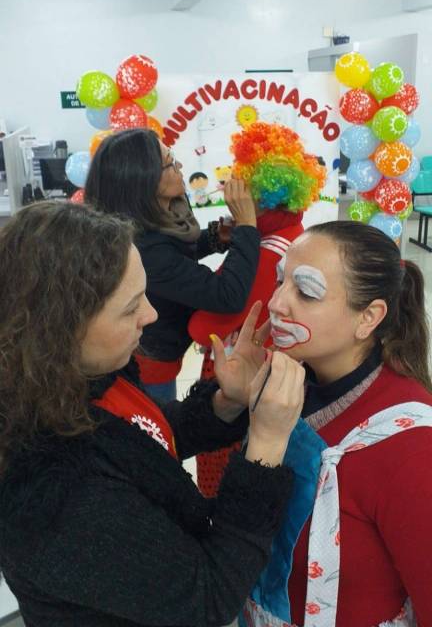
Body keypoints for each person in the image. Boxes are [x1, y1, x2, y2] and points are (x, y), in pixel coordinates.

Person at [0, 200, 306, 627]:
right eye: (130, 308)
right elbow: (208, 597)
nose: (152, 314)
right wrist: (266, 446)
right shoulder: (51, 493)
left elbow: (140, 442)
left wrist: (227, 402)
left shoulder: (83, 378)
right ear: (60, 327)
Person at [211, 220, 432, 627]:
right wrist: (239, 402)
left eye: (306, 292)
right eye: (281, 281)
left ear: (368, 317)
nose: (276, 303)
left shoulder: (413, 447)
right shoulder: (284, 386)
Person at [189, 120, 326, 497]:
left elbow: (203, 327)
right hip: (270, 371)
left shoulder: (266, 253)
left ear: (261, 199)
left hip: (240, 373)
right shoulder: (293, 236)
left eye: (244, 192)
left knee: (223, 467)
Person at [84, 128, 261, 402]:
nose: (179, 167)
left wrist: (216, 237)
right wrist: (247, 225)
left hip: (166, 354)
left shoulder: (161, 219)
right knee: (161, 418)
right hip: (149, 366)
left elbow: (177, 253)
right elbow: (228, 295)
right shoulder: (143, 248)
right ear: (143, 181)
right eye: (169, 163)